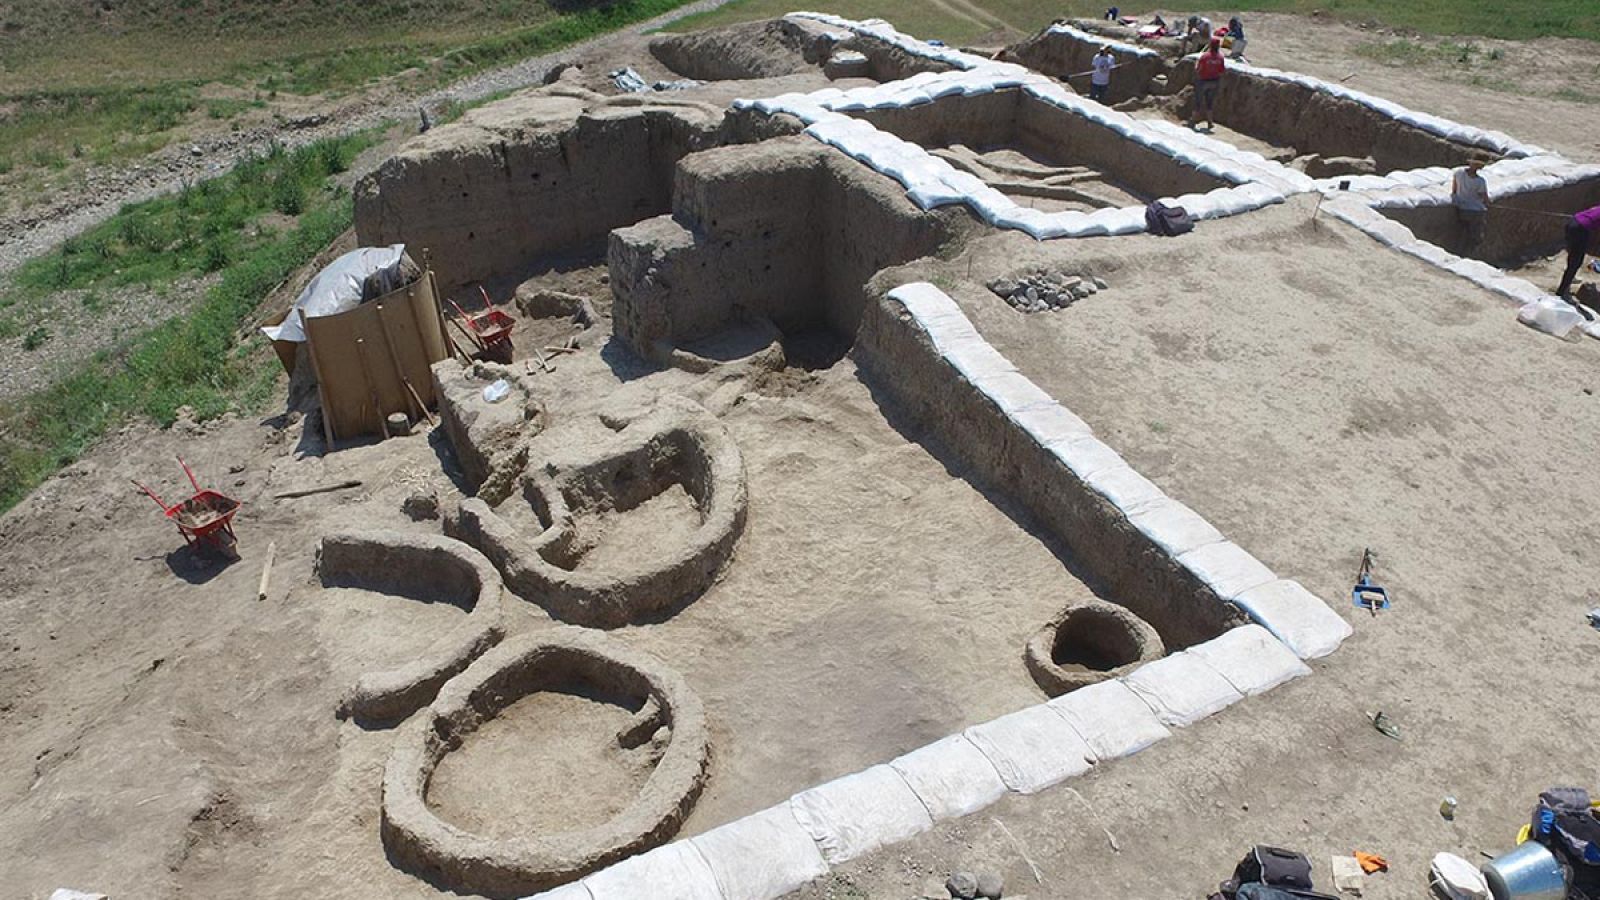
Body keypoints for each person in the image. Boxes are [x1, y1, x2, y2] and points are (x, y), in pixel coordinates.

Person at [1556, 203, 1600, 306]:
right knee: (1576, 262)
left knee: (1573, 257)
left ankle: (1569, 279)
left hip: (1572, 222)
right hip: (1580, 229)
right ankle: (1562, 292)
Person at [1450, 156, 1489, 250]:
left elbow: (1454, 189)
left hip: (1462, 209)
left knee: (1462, 231)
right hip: (1475, 212)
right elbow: (1484, 197)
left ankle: (1459, 248)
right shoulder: (1480, 181)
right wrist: (1488, 203)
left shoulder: (1458, 173)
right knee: (1475, 235)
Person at [1191, 38, 1225, 131]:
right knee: (1209, 103)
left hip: (1203, 81)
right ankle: (1210, 122)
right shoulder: (1220, 57)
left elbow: (1198, 69)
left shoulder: (1205, 57)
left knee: (1198, 102)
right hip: (1214, 81)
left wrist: (1196, 66)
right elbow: (1221, 72)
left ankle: (1193, 121)